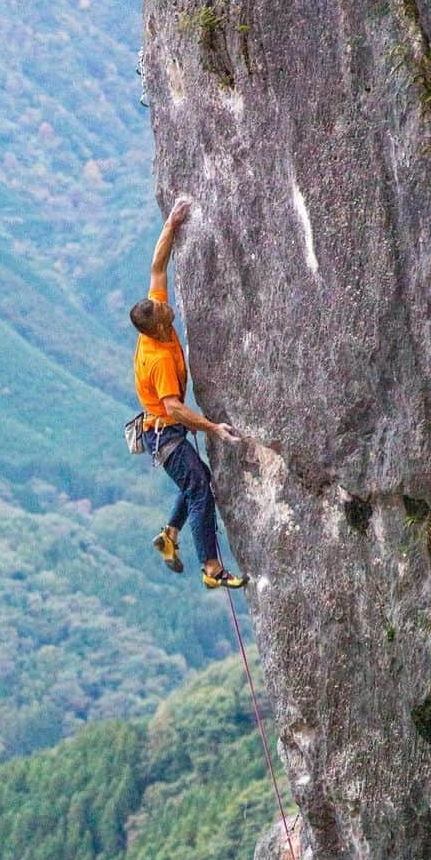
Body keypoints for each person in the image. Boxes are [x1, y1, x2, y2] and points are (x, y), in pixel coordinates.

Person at [130, 197, 248, 589]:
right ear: (156, 329)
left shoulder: (155, 314)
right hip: (164, 434)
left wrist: (173, 223)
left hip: (165, 429)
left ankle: (170, 536)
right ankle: (212, 570)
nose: (170, 311)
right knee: (200, 489)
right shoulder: (158, 357)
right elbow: (175, 410)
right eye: (165, 315)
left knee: (195, 481)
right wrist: (213, 428)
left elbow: (157, 266)